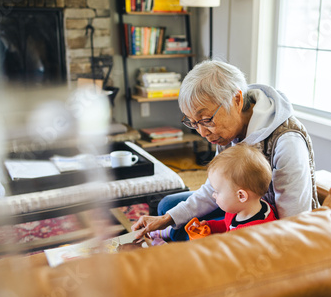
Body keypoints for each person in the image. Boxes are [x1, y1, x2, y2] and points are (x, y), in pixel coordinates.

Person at [133, 60, 319, 241]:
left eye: (206, 120)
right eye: (193, 123)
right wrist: (167, 219)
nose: (203, 133)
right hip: (243, 205)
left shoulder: (287, 140)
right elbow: (215, 188)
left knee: (185, 232)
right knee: (167, 208)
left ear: (237, 99)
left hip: (269, 224)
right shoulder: (225, 131)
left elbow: (294, 222)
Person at [153, 144, 277, 243]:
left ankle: (169, 237)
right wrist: (210, 226)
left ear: (241, 196)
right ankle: (170, 232)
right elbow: (225, 224)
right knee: (167, 206)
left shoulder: (252, 234)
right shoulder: (238, 210)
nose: (213, 195)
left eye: (217, 192)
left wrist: (209, 243)